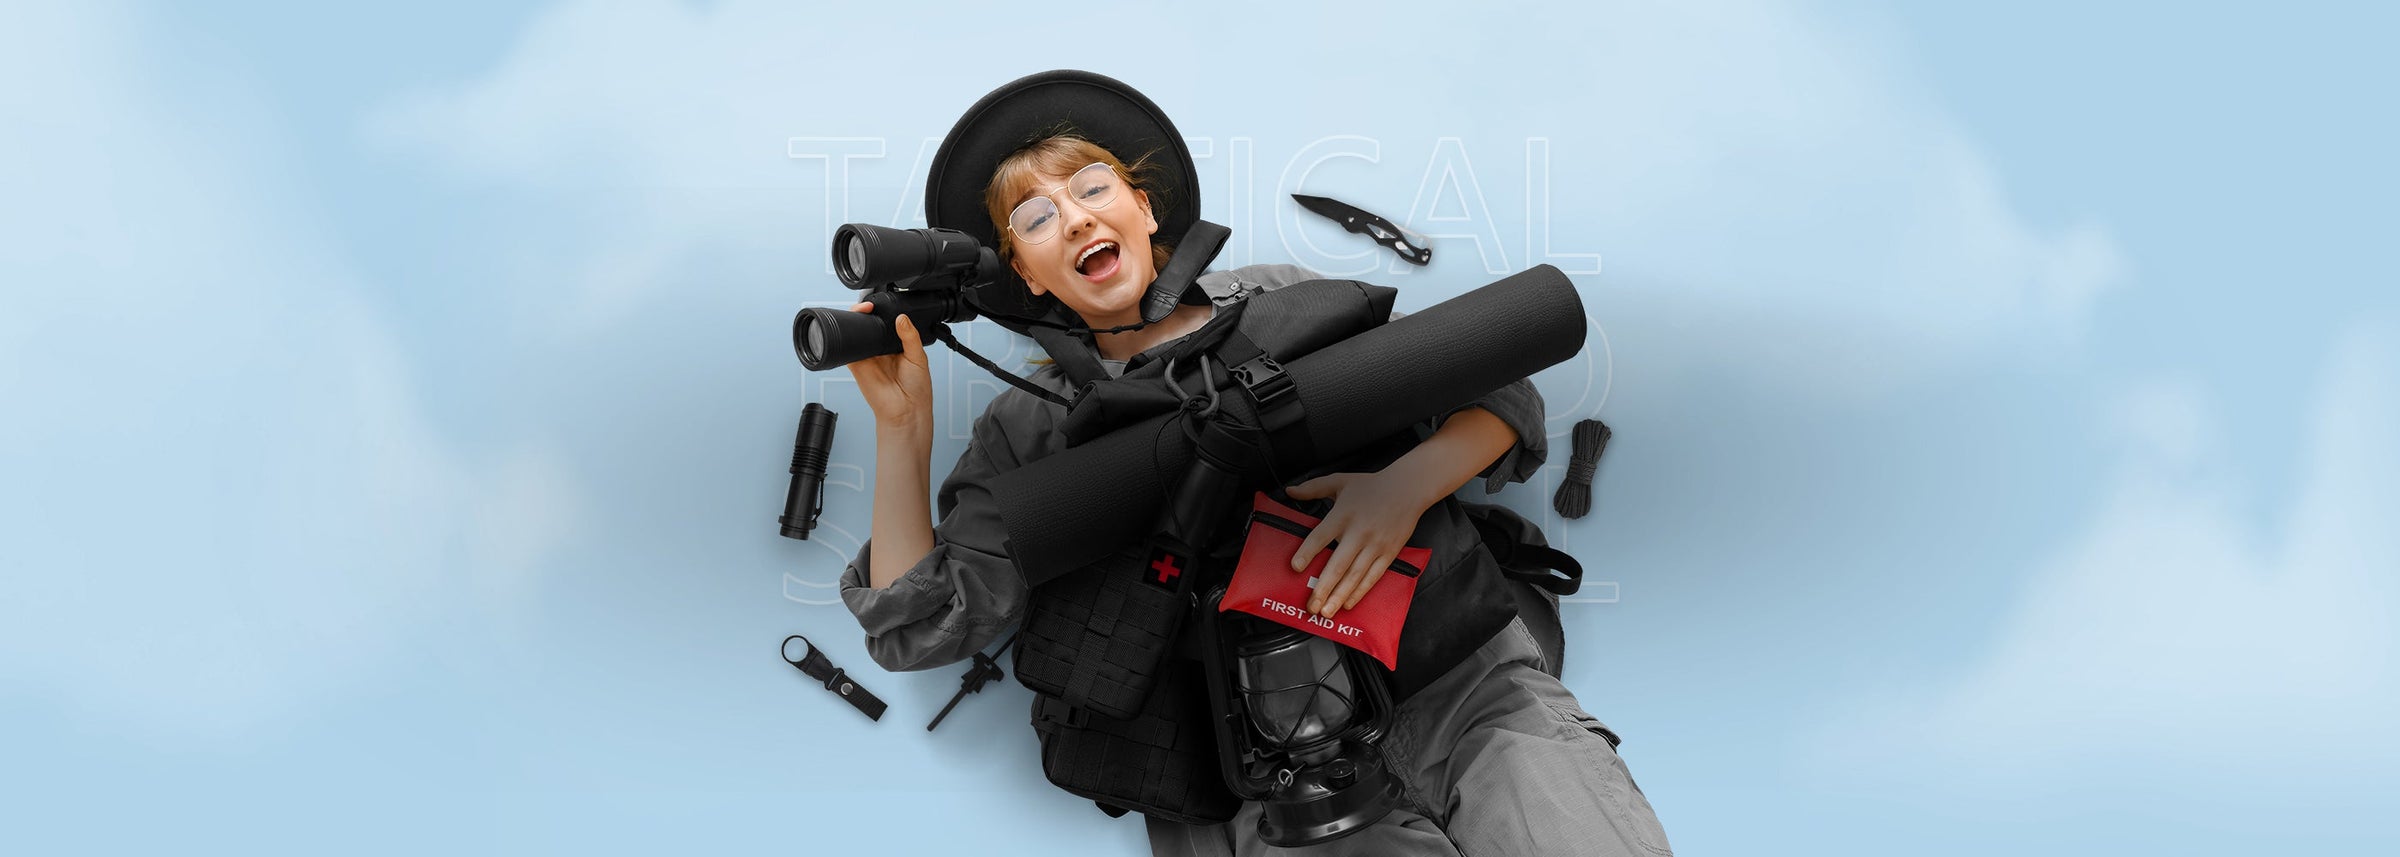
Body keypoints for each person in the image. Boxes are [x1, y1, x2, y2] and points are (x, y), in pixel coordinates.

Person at [836, 71, 1671, 856]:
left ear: (1144, 208)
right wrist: (902, 430)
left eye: (1092, 188)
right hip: (1263, 789)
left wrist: (1402, 489)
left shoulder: (1281, 299)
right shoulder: (1029, 427)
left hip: (1465, 689)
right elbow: (921, 624)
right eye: (1037, 218)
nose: (1078, 219)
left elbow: (1496, 384)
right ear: (1022, 270)